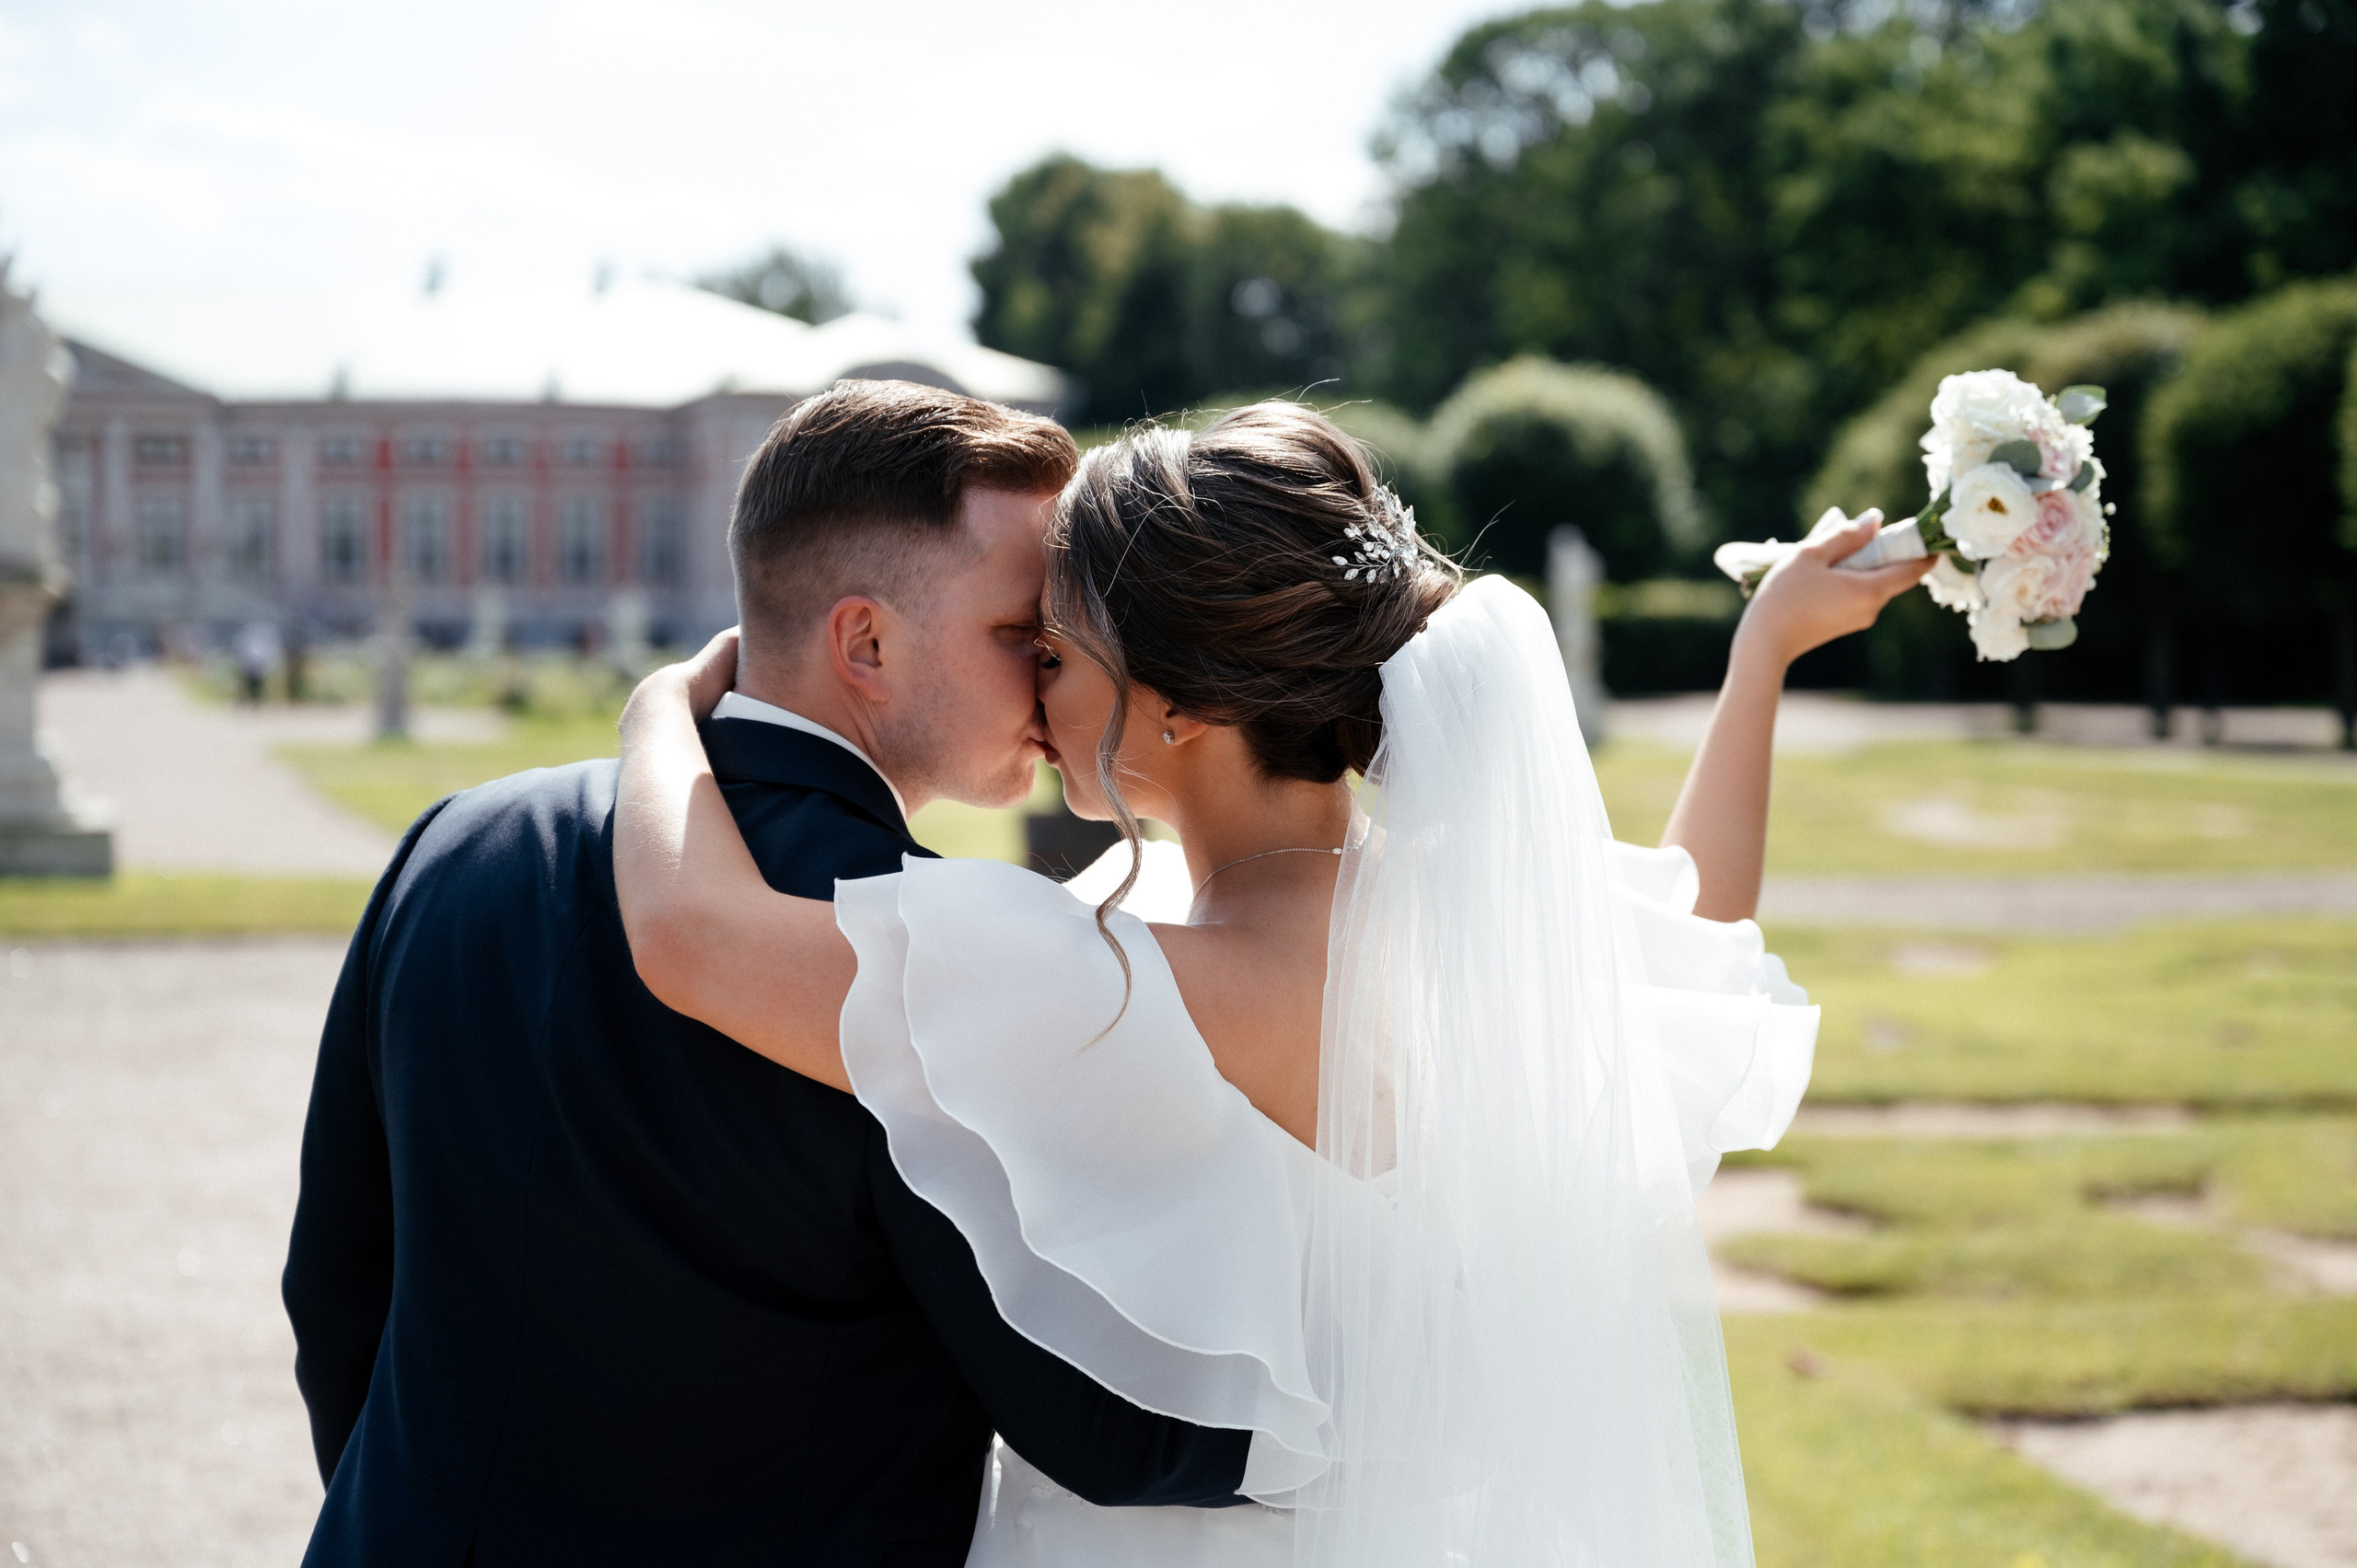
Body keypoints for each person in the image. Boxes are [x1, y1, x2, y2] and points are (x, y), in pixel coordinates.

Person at [612, 401, 1933, 1565]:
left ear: (1179, 704)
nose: (1031, 691)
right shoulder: (1487, 930)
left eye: (1055, 655)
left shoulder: (1123, 988)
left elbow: (693, 939)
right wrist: (1763, 652)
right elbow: (1700, 899)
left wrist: (661, 713)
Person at [280, 382, 1250, 1568]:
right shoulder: (950, 944)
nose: (1060, 675)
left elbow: (334, 1290)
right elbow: (1097, 1424)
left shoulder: (453, 842)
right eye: (1023, 635)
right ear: (866, 643)